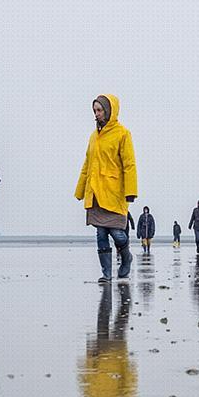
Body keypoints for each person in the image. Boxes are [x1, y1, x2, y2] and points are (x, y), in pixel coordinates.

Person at [75, 94, 138, 283]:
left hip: (114, 191)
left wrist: (131, 191)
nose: (96, 114)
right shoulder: (93, 136)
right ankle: (106, 274)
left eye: (100, 110)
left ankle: (126, 256)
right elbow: (88, 164)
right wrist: (80, 191)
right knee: (100, 233)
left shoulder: (122, 133)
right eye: (94, 111)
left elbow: (129, 164)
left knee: (117, 233)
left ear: (110, 111)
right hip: (95, 192)